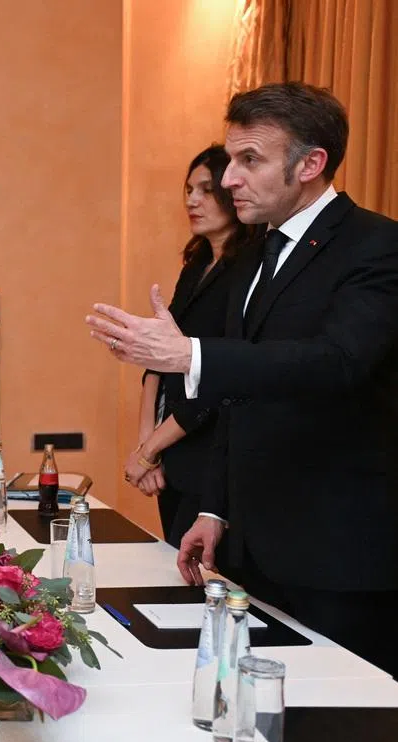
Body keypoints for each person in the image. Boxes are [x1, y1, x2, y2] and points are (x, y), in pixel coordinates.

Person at [87, 82, 398, 676]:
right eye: (231, 160)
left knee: (336, 724)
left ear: (310, 165)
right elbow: (240, 396)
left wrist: (192, 356)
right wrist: (215, 510)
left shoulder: (377, 246)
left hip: (337, 552)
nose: (230, 179)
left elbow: (337, 363)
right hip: (252, 544)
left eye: (248, 160)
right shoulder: (254, 255)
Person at [125, 145, 255, 547]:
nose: (191, 200)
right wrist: (146, 444)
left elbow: (220, 378)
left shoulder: (248, 270)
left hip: (211, 451)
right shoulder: (196, 265)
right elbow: (158, 363)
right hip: (172, 450)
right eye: (187, 190)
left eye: (204, 190)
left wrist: (150, 450)